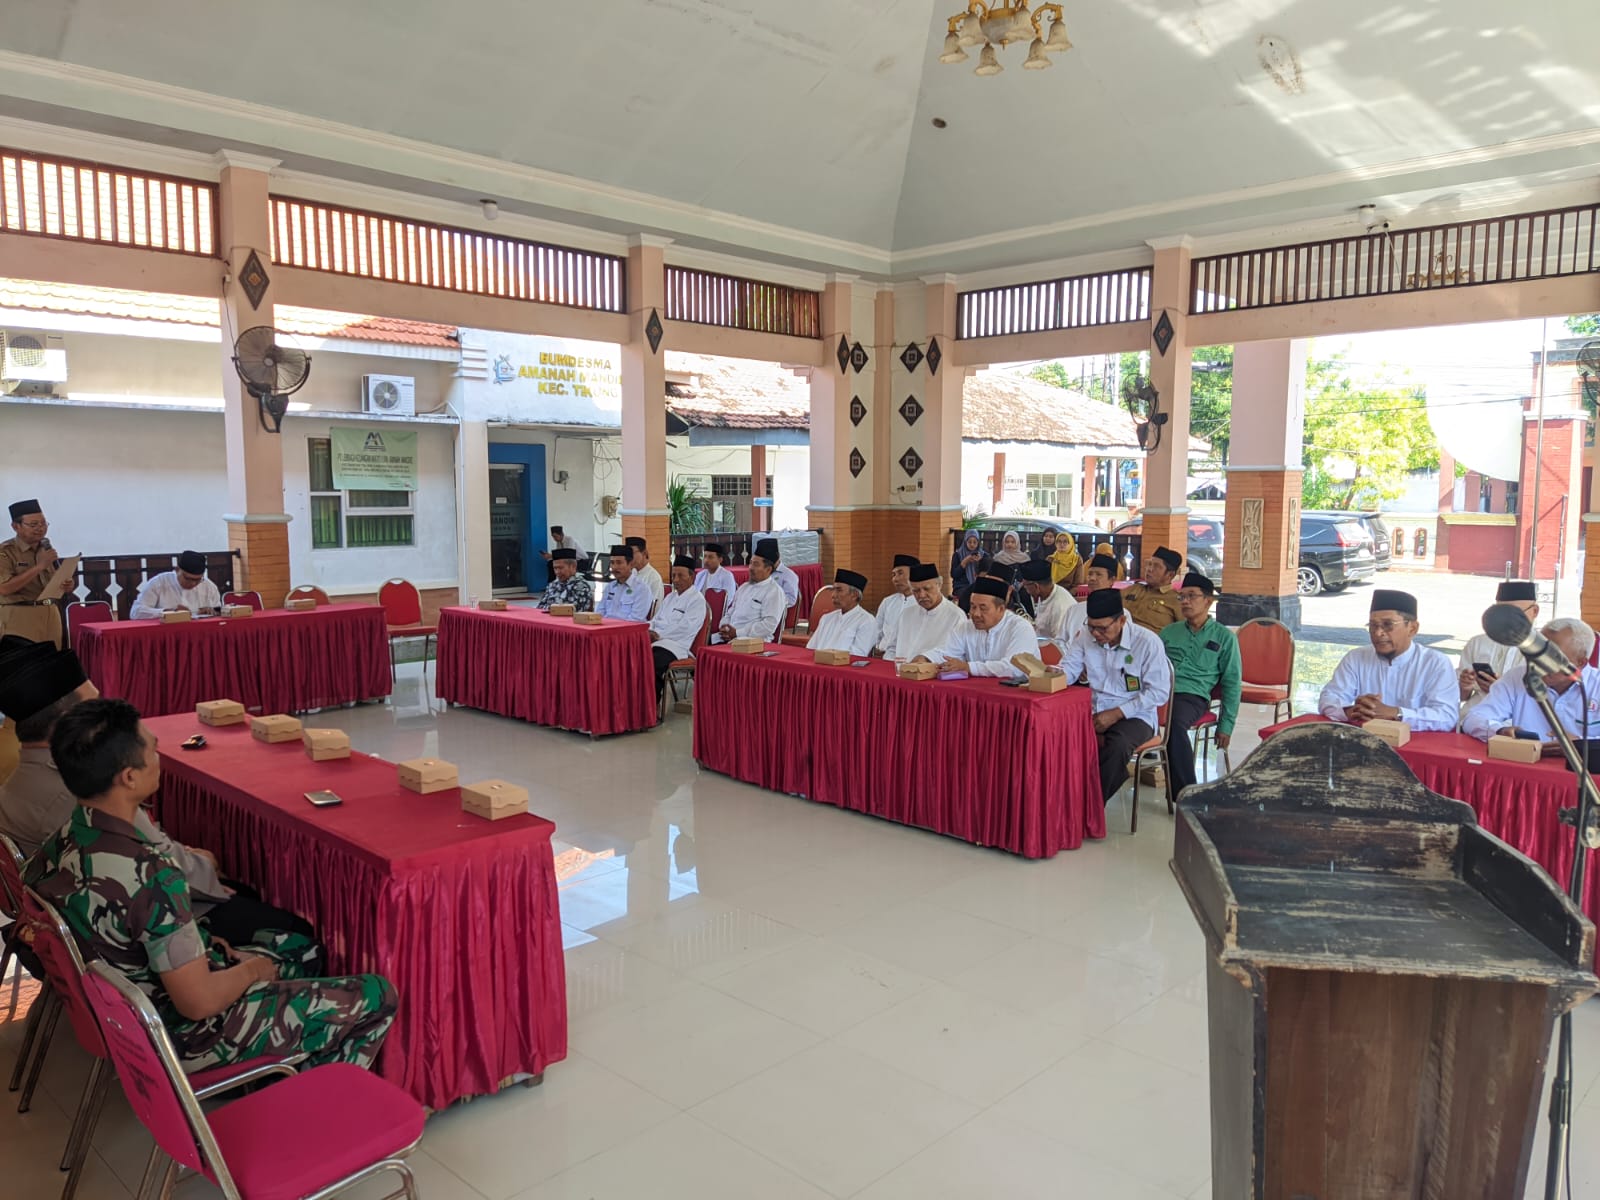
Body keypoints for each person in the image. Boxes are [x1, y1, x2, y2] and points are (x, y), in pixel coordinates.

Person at [25, 698, 396, 1072]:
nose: (159, 758)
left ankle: (273, 1070)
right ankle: (304, 1091)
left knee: (304, 951)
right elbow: (198, 1002)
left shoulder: (63, 839)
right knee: (377, 994)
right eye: (152, 750)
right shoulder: (152, 875)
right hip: (180, 1035)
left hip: (127, 1009)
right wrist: (252, 971)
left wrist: (208, 949)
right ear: (129, 777)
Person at [0, 644, 320, 960]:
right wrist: (207, 866)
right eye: (93, 705)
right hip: (141, 929)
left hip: (82, 921)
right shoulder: (82, 790)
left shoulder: (20, 781)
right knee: (294, 928)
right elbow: (165, 869)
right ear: (70, 721)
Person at [1057, 588, 1174, 805]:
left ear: (1121, 621)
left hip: (1136, 715)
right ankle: (1061, 797)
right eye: (1091, 626)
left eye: (1102, 628)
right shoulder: (1085, 637)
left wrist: (1117, 713)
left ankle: (1088, 808)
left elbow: (1158, 692)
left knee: (1117, 745)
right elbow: (1069, 670)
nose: (1096, 634)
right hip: (1094, 710)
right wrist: (1051, 674)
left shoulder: (1147, 642)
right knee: (1057, 733)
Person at [1318, 589, 1458, 731]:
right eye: (1373, 625)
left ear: (1412, 628)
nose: (1378, 633)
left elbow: (1447, 717)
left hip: (1416, 743)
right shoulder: (1356, 658)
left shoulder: (1435, 663)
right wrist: (1352, 711)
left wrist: (1396, 713)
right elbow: (1329, 697)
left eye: (1388, 624)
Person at [1159, 572, 1242, 796]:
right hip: (1160, 691)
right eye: (1182, 597)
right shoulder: (1168, 632)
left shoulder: (1225, 637)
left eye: (1191, 596)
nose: (1185, 601)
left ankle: (1187, 794)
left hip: (1192, 696)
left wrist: (1226, 725)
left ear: (1208, 601)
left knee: (1174, 722)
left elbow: (1232, 683)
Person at [1463, 618, 1600, 743]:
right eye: (1537, 652)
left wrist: (1580, 743)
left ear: (1580, 662)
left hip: (1581, 762)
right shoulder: (1517, 677)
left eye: (1552, 657)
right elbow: (1474, 718)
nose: (1539, 662)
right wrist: (1499, 731)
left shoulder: (1597, 686)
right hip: (1525, 759)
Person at [915, 576, 1037, 679]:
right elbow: (947, 653)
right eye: (973, 607)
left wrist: (968, 667)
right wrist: (925, 659)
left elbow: (1014, 668)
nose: (976, 614)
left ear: (1001, 609)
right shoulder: (965, 627)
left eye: (983, 608)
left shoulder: (1020, 628)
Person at [1458, 580, 1539, 723]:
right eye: (1502, 613)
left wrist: (1502, 689)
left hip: (1517, 724)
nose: (1508, 619)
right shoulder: (1477, 643)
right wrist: (1465, 686)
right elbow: (1461, 697)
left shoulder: (1543, 650)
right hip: (1472, 720)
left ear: (1534, 611)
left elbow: (1549, 701)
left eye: (1515, 614)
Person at [0, 498, 65, 647]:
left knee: (52, 658)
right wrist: (39, 566)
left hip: (50, 612)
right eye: (33, 524)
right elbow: (4, 588)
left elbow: (53, 580)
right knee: (24, 659)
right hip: (20, 615)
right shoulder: (5, 552)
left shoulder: (46, 549)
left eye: (43, 523)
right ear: (15, 526)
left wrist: (66, 584)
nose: (40, 528)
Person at [648, 556, 710, 698]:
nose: (675, 580)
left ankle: (651, 703)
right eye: (673, 575)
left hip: (676, 646)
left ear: (692, 577)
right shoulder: (670, 597)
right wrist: (648, 630)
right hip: (656, 641)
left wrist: (658, 635)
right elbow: (655, 620)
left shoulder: (697, 600)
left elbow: (685, 628)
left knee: (652, 663)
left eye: (680, 576)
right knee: (634, 658)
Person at [714, 538, 785, 644]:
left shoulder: (774, 592)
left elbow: (768, 625)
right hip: (728, 637)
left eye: (756, 564)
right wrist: (724, 627)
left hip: (752, 643)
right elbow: (730, 613)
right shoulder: (744, 587)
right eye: (750, 563)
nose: (751, 568)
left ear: (768, 569)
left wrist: (738, 633)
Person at [895, 563, 967, 663]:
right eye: (916, 591)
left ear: (939, 585)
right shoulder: (907, 614)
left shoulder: (955, 616)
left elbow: (956, 653)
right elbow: (894, 648)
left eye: (927, 589)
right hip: (901, 669)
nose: (922, 595)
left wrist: (927, 658)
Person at [129, 551, 222, 620]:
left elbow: (219, 611)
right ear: (177, 570)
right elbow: (135, 612)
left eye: (198, 580)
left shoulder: (209, 587)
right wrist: (168, 612)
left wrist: (212, 611)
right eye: (188, 579)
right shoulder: (159, 582)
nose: (193, 583)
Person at [806, 570, 876, 656]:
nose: (833, 595)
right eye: (833, 590)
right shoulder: (827, 618)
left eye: (839, 590)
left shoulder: (866, 621)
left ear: (854, 595)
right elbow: (811, 648)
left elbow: (858, 655)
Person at [1121, 546, 1184, 633]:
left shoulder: (1176, 600)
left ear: (1170, 575)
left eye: (1156, 566)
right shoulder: (1134, 589)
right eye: (1149, 564)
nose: (1149, 569)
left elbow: (1186, 631)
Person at [1062, 553, 1118, 647]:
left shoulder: (1120, 614)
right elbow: (1060, 641)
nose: (1092, 578)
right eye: (1090, 574)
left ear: (1112, 580)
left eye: (1098, 574)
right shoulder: (1073, 610)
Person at [872, 554, 920, 658]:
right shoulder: (888, 602)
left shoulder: (921, 603)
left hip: (908, 658)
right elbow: (876, 630)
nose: (895, 579)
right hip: (883, 656)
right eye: (893, 575)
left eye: (900, 573)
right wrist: (877, 648)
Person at [594, 545, 652, 622]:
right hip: (605, 627)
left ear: (630, 564)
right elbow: (599, 613)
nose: (614, 567)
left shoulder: (641, 589)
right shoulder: (609, 587)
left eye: (619, 563)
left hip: (627, 628)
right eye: (612, 563)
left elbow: (635, 620)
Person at [1020, 559, 1072, 645]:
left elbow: (1059, 645)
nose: (1025, 589)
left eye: (1025, 586)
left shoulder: (1060, 606)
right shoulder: (1044, 594)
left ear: (1036, 586)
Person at [536, 547, 593, 612]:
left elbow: (572, 612)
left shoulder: (581, 587)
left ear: (573, 567)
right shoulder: (552, 585)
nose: (557, 572)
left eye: (560, 568)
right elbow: (540, 608)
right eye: (555, 568)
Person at [695, 544, 739, 610]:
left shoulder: (727, 576)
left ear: (720, 559)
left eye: (710, 557)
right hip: (700, 609)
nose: (706, 560)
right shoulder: (700, 575)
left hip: (718, 611)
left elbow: (728, 600)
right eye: (705, 556)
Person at [625, 537, 664, 606]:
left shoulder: (654, 578)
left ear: (644, 553)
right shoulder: (629, 574)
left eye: (631, 553)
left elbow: (655, 608)